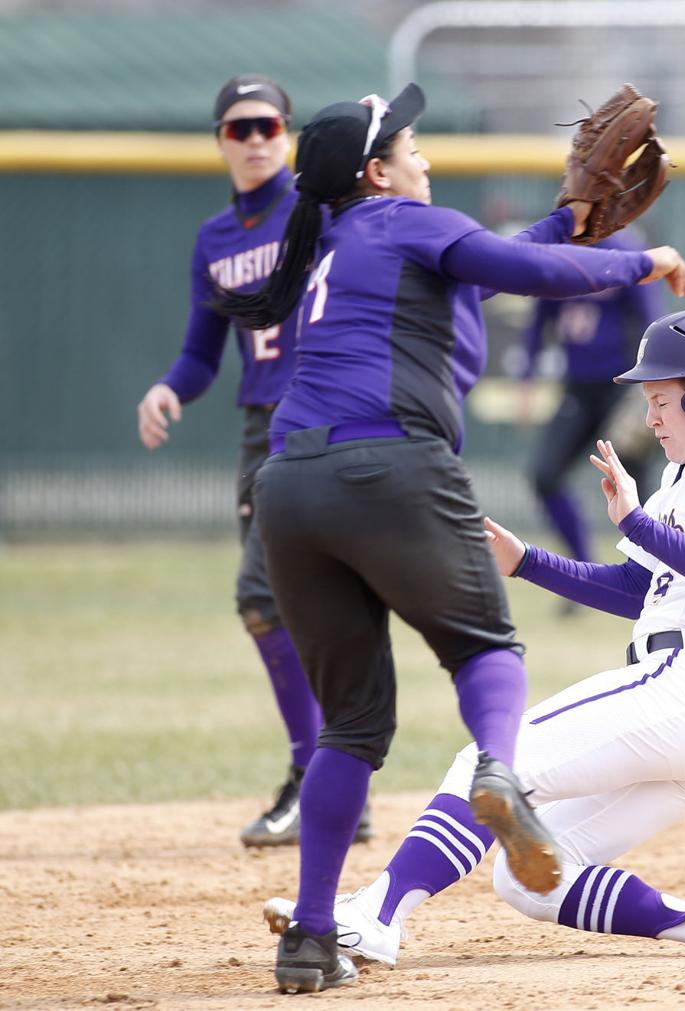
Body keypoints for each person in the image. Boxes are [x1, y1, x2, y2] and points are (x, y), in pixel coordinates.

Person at [208, 84, 685, 994]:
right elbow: (529, 274)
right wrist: (640, 260)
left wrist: (567, 220)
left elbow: (502, 255)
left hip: (289, 490)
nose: (423, 158)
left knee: (352, 725)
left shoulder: (347, 239)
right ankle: (500, 776)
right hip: (387, 466)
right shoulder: (398, 221)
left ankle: (311, 937)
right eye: (412, 146)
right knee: (488, 649)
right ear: (376, 173)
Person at [262, 308, 685, 970]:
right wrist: (529, 561)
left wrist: (637, 522)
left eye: (662, 398)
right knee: (531, 873)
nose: (651, 418)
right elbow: (641, 591)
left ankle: (377, 914)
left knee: (487, 763)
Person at [134, 74, 370, 850]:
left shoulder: (318, 207)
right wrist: (169, 388)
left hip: (322, 413)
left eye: (269, 124)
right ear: (221, 142)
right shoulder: (215, 238)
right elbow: (203, 352)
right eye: (240, 128)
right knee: (280, 605)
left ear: (290, 133)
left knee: (266, 595)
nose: (257, 138)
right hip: (258, 426)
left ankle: (317, 775)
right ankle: (333, 781)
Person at [519, 233, 664, 567]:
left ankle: (653, 570)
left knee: (634, 481)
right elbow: (539, 322)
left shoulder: (625, 251)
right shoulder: (558, 255)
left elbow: (651, 322)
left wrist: (654, 386)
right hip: (578, 390)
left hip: (623, 386)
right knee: (545, 475)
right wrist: (526, 379)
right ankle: (583, 565)